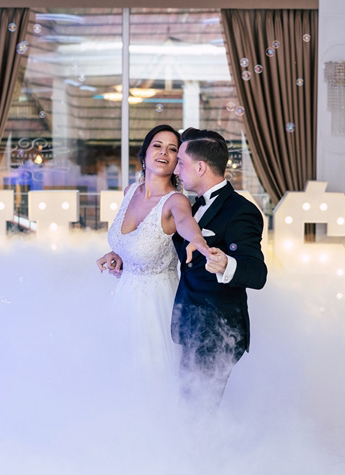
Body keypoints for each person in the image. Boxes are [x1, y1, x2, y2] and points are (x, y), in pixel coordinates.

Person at [96, 125, 210, 384]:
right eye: (157, 145)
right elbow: (136, 241)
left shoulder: (175, 201)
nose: (163, 153)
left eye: (172, 149)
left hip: (157, 304)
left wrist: (197, 239)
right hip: (125, 298)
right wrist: (118, 254)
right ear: (145, 152)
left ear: (178, 161)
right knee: (121, 373)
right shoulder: (129, 191)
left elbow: (185, 221)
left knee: (152, 376)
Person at [170, 127, 267, 406]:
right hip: (189, 326)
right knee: (185, 406)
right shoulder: (190, 208)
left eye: (181, 163)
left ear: (200, 167)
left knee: (199, 410)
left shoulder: (241, 211)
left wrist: (226, 263)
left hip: (216, 333)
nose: (176, 170)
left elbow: (257, 273)